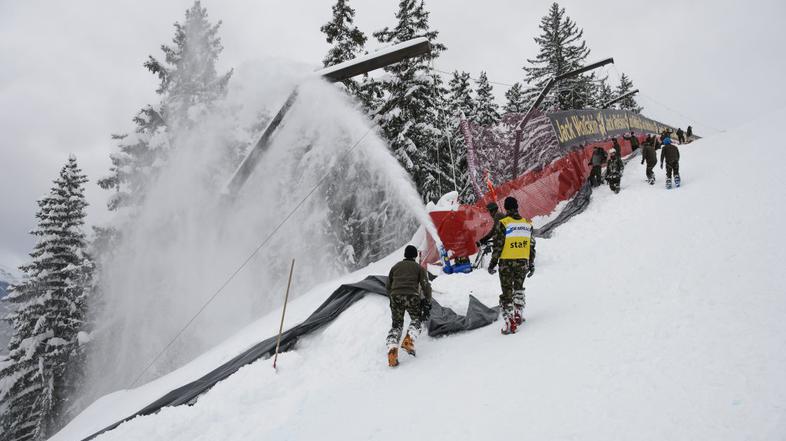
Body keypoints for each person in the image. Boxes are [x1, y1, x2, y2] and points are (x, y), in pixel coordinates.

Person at [488, 197, 536, 335]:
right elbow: (531, 246)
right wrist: (531, 263)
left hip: (507, 264)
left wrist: (492, 263)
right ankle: (518, 315)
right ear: (517, 207)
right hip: (522, 263)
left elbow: (498, 245)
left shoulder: (503, 223)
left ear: (506, 208)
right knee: (519, 289)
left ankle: (510, 323)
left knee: (507, 293)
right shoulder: (526, 224)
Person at [386, 245, 432, 367]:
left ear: (405, 255)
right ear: (415, 256)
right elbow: (426, 285)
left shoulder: (395, 267)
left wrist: (393, 298)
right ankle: (409, 340)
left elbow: (388, 286)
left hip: (395, 297)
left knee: (396, 325)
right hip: (412, 296)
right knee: (416, 319)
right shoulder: (419, 268)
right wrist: (427, 300)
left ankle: (392, 350)